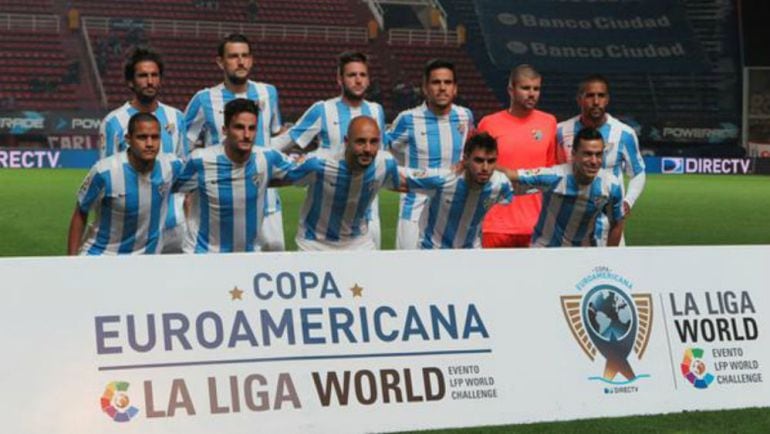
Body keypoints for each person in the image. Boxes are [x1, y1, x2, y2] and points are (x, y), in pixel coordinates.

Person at [272, 51, 386, 247]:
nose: (358, 80)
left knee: (366, 275)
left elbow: (380, 153)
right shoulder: (322, 110)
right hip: (326, 209)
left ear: (368, 80)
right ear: (339, 79)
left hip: (367, 211)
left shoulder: (376, 110)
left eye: (362, 75)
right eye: (351, 75)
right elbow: (284, 141)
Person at [184, 33, 285, 251]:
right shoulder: (204, 99)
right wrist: (189, 190)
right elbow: (184, 145)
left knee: (270, 272)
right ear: (220, 61)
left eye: (245, 55)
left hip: (267, 203)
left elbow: (274, 137)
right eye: (233, 56)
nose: (241, 61)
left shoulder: (268, 93)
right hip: (222, 205)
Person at [174, 99, 296, 254]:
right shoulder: (200, 160)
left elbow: (301, 172)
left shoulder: (267, 157)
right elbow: (170, 185)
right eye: (239, 127)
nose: (246, 135)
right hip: (203, 255)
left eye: (251, 128)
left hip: (247, 256)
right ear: (225, 129)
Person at [99, 47, 188, 252]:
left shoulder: (177, 117)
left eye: (154, 75)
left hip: (175, 226)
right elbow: (108, 179)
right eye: (143, 76)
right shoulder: (114, 122)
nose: (150, 81)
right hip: (135, 228)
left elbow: (184, 174)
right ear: (131, 82)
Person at [387, 58, 474, 249]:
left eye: (447, 82)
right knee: (409, 270)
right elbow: (381, 152)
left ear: (455, 88)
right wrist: (396, 175)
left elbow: (470, 152)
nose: (442, 88)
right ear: (425, 88)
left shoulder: (465, 116)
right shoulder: (407, 119)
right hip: (414, 208)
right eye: (436, 82)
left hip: (452, 207)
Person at [67, 113, 182, 255]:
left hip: (146, 261)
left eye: (155, 137)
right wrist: (71, 261)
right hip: (102, 255)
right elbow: (81, 212)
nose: (149, 143)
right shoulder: (104, 172)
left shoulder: (172, 166)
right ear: (128, 139)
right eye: (142, 137)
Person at [285, 116, 400, 251]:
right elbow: (283, 178)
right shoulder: (319, 163)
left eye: (374, 142)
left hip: (359, 243)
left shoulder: (385, 163)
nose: (368, 149)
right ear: (346, 141)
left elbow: (403, 183)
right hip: (314, 244)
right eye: (360, 142)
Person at [556, 74, 645, 245]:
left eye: (601, 95)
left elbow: (638, 173)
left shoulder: (624, 133)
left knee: (610, 271)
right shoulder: (561, 131)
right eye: (590, 95)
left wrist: (628, 201)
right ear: (579, 99)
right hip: (569, 226)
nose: (596, 101)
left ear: (607, 99)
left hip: (610, 226)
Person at [477, 64, 557, 249]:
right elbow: (476, 167)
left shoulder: (549, 122)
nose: (532, 94)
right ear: (511, 90)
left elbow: (550, 171)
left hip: (537, 225)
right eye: (525, 88)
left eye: (536, 89)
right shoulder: (489, 124)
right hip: (495, 224)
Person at [502, 127, 625, 247]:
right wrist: (485, 166)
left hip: (585, 253)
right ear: (574, 154)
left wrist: (610, 257)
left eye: (598, 155)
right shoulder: (554, 176)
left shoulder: (611, 186)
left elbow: (616, 224)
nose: (594, 161)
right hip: (546, 251)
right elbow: (511, 174)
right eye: (587, 154)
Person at [402, 132, 514, 249]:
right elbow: (397, 178)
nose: (485, 168)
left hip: (471, 252)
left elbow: (527, 183)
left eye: (491, 161)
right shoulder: (444, 179)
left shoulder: (500, 183)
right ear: (465, 159)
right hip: (433, 251)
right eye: (479, 161)